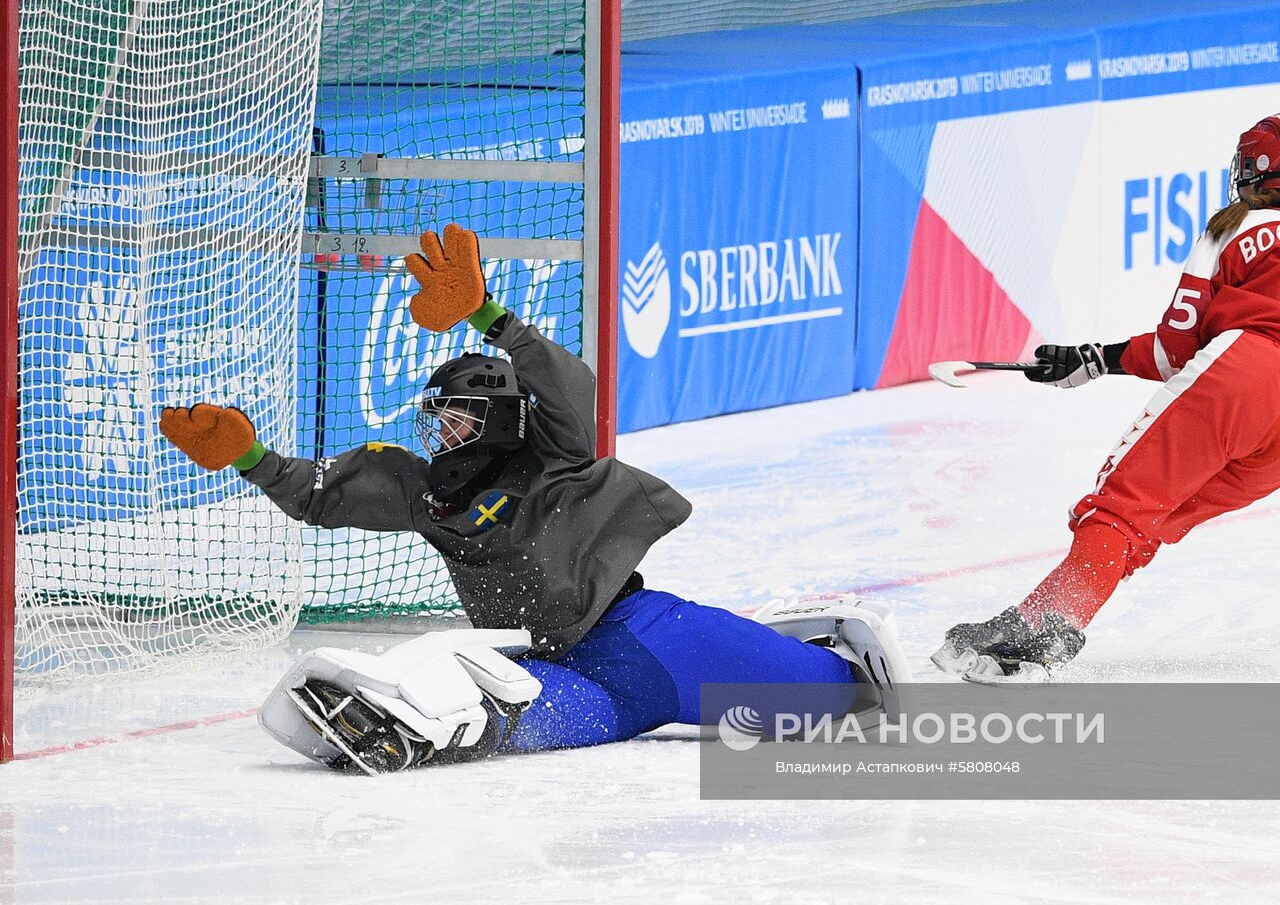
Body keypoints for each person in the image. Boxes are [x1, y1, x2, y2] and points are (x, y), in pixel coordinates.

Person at [160, 224, 910, 772]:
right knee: (498, 722)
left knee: (846, 704)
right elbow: (321, 496)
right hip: (563, 673)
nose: (437, 434)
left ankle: (811, 655)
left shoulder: (555, 452)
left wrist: (492, 317)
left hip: (649, 637)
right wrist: (251, 459)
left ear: (493, 420)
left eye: (453, 418)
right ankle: (402, 729)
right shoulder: (427, 495)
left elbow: (567, 385)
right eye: (434, 419)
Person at [932, 113, 1280, 682]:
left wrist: (1101, 358)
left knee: (1122, 508)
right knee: (1152, 520)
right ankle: (1036, 624)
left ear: (1256, 172)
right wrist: (1093, 357)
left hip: (1241, 376)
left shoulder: (1233, 227)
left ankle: (1044, 629)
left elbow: (1175, 347)